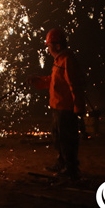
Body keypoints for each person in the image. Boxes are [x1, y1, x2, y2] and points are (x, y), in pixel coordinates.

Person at [28, 27, 86, 180]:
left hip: (66, 108)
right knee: (58, 137)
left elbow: (74, 85)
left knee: (67, 139)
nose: (48, 48)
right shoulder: (59, 60)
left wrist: (78, 107)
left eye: (49, 45)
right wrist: (39, 80)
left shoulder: (67, 60)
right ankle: (62, 162)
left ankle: (71, 168)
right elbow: (54, 81)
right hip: (57, 106)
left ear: (58, 45)